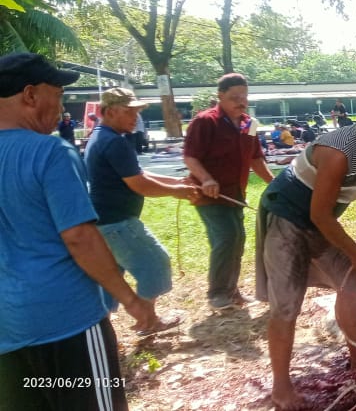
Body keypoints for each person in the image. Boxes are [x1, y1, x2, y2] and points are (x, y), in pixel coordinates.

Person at [0, 52, 160, 410]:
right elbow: (80, 237)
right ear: (30, 95)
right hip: (65, 320)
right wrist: (131, 300)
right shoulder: (51, 151)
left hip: (8, 328)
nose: (61, 109)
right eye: (58, 96)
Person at [256, 102, 356, 409]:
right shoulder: (338, 152)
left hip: (319, 220)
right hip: (287, 217)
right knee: (287, 304)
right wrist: (355, 251)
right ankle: (281, 386)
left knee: (348, 281)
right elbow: (320, 214)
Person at [85, 88, 201, 334]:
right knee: (155, 263)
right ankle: (147, 320)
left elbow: (137, 173)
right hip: (117, 223)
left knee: (111, 278)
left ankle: (102, 331)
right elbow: (139, 184)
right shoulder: (114, 142)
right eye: (129, 112)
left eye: (137, 112)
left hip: (102, 222)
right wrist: (176, 191)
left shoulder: (102, 136)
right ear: (110, 111)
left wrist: (176, 182)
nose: (135, 118)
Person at [183, 73, 274, 310]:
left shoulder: (249, 124)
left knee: (238, 239)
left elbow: (256, 159)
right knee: (226, 237)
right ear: (220, 96)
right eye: (235, 97)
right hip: (209, 195)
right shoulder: (205, 121)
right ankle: (217, 293)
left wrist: (274, 183)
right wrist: (206, 179)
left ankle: (231, 291)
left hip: (236, 194)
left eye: (244, 96)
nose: (241, 101)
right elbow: (190, 157)